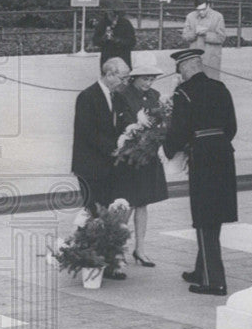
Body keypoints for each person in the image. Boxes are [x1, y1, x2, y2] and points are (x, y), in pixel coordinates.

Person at [163, 48, 238, 296]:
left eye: (180, 70)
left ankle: (214, 281)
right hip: (224, 154)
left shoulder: (184, 93)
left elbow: (179, 130)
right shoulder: (220, 87)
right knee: (213, 213)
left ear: (185, 68)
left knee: (204, 215)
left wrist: (168, 149)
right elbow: (231, 126)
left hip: (203, 156)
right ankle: (201, 269)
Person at [70, 57, 132, 280]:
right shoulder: (88, 97)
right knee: (93, 213)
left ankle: (106, 262)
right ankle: (90, 261)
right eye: (123, 77)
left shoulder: (117, 97)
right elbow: (88, 132)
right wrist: (112, 148)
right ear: (110, 74)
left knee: (109, 215)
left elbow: (123, 124)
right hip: (89, 165)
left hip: (108, 165)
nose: (125, 82)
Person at [110, 63, 169, 267]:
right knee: (127, 203)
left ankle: (140, 249)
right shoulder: (123, 94)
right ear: (135, 78)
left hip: (148, 155)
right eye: (145, 78)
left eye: (152, 78)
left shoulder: (154, 95)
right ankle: (118, 251)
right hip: (129, 155)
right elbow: (121, 123)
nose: (148, 83)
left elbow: (160, 120)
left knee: (143, 202)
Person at [181, 0, 227, 80]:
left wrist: (206, 34)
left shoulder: (218, 17)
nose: (201, 12)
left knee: (211, 84)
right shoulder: (190, 16)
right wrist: (194, 33)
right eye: (198, 10)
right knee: (194, 83)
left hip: (211, 58)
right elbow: (185, 36)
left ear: (208, 6)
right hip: (194, 57)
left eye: (203, 9)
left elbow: (221, 38)